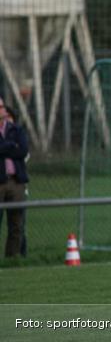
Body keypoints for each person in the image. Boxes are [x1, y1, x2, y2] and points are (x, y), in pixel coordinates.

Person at [0, 95, 29, 258]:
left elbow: (23, 150)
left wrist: (5, 148)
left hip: (16, 181)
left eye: (2, 106)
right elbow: (15, 149)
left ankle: (12, 259)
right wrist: (11, 146)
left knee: (17, 224)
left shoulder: (16, 130)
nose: (2, 110)